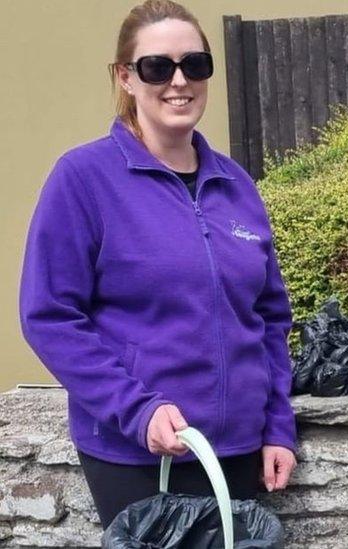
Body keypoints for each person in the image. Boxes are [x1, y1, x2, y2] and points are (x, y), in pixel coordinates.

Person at [19, 0, 297, 528]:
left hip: (237, 450)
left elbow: (269, 319)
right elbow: (50, 318)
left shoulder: (236, 185)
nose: (178, 80)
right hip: (137, 454)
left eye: (194, 64)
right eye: (157, 66)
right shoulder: (83, 179)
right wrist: (136, 408)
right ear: (126, 77)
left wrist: (277, 426)